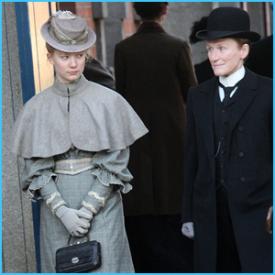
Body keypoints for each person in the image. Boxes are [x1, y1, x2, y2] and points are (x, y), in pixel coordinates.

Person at [12, 11, 148, 273]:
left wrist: (86, 211)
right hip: (57, 211)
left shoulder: (109, 102)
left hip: (102, 207)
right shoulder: (35, 109)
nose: (72, 64)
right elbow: (36, 168)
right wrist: (63, 212)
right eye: (64, 57)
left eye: (78, 56)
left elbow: (115, 162)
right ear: (49, 56)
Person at [181, 7, 272, 272]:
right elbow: (192, 158)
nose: (213, 57)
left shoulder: (269, 92)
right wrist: (188, 213)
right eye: (210, 49)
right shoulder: (198, 95)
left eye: (221, 48)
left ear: (243, 51)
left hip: (257, 210)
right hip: (210, 212)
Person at [114, 2, 197, 272]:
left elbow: (121, 97)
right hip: (174, 138)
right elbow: (191, 95)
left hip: (137, 141)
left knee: (142, 217)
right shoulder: (177, 46)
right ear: (165, 10)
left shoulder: (123, 49)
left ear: (136, 12)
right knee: (174, 211)